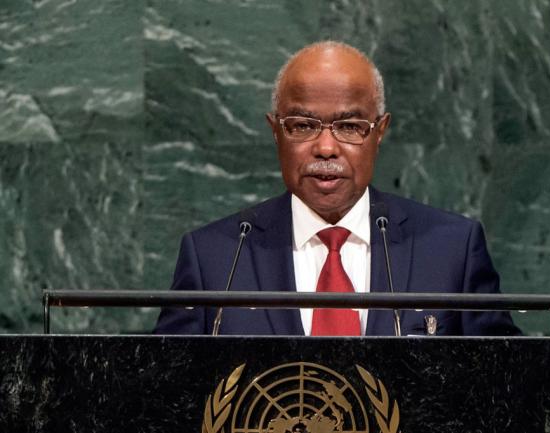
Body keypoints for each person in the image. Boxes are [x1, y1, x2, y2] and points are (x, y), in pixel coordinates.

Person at [154, 41, 520, 336]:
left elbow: (508, 381)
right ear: (276, 131)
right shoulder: (215, 257)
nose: (326, 148)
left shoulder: (451, 249)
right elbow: (164, 387)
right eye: (302, 126)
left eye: (349, 127)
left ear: (379, 132)